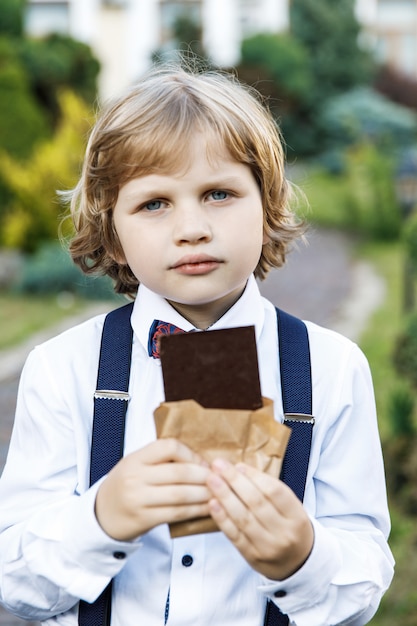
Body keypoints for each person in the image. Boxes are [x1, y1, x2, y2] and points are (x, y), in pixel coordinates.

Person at [0, 63, 394, 626]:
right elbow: (14, 582)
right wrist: (101, 518)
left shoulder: (330, 369)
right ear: (112, 234)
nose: (192, 227)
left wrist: (302, 557)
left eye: (218, 193)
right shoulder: (64, 369)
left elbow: (363, 580)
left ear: (267, 205)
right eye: (154, 203)